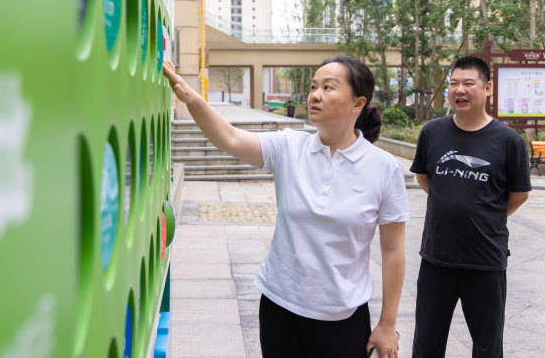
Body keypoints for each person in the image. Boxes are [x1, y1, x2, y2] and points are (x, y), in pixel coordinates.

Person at [163, 56, 409, 358]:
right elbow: (229, 137)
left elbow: (394, 249)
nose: (315, 95)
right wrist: (189, 96)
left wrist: (387, 323)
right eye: (313, 87)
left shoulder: (383, 168)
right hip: (281, 308)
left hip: (342, 318)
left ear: (358, 104)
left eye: (328, 88)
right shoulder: (290, 147)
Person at [410, 56, 531, 358]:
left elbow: (518, 194)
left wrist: (484, 213)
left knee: (488, 347)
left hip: (485, 261)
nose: (459, 90)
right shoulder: (432, 132)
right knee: (426, 344)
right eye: (453, 83)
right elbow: (425, 178)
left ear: (487, 88)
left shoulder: (508, 140)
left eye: (468, 84)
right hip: (436, 259)